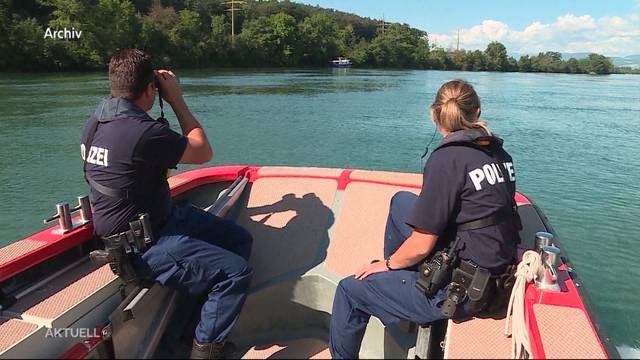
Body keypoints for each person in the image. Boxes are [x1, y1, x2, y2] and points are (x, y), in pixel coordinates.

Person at [80, 49, 253, 359]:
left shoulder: (93, 124)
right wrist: (175, 99)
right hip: (145, 246)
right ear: (150, 89)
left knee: (238, 239)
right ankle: (205, 352)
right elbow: (202, 151)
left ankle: (190, 332)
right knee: (235, 272)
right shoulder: (144, 132)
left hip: (150, 223)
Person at [328, 79, 519, 358]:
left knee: (349, 290)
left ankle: (404, 288)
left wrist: (387, 264)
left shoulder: (447, 159)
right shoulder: (499, 154)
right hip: (492, 266)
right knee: (401, 202)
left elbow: (421, 245)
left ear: (434, 115)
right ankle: (401, 284)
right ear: (476, 112)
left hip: (463, 290)